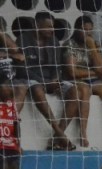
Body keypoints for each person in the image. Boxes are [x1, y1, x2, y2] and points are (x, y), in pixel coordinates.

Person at [62, 16, 102, 149]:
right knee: (85, 90)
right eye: (84, 29)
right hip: (74, 81)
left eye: (90, 30)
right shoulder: (70, 44)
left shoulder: (93, 44)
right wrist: (94, 72)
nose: (87, 33)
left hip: (91, 79)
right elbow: (72, 72)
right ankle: (83, 133)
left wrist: (93, 49)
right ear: (77, 29)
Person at [23, 12, 75, 150]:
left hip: (51, 79)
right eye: (48, 27)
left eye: (52, 27)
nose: (51, 30)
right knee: (37, 89)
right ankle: (59, 132)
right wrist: (44, 82)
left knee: (74, 91)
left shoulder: (54, 40)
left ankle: (57, 137)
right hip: (32, 79)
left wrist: (55, 79)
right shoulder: (23, 40)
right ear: (36, 25)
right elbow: (23, 69)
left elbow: (57, 65)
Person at [0, 76, 28, 169]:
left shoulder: (11, 105)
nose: (10, 89)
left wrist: (18, 144)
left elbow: (17, 125)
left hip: (11, 143)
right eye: (7, 86)